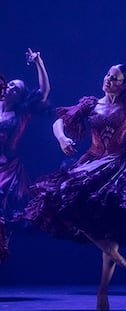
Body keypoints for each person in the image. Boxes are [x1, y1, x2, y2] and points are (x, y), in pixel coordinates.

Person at [20, 28, 126, 311]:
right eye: (108, 75)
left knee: (110, 226)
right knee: (60, 198)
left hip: (116, 165)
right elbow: (58, 122)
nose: (109, 79)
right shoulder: (91, 104)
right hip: (90, 160)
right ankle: (104, 246)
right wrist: (62, 138)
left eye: (115, 78)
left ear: (124, 84)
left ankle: (103, 291)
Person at [0, 49, 50, 262]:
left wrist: (38, 62)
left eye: (16, 87)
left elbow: (44, 90)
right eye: (10, 83)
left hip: (7, 167)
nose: (10, 85)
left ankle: (3, 245)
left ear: (20, 96)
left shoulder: (22, 113)